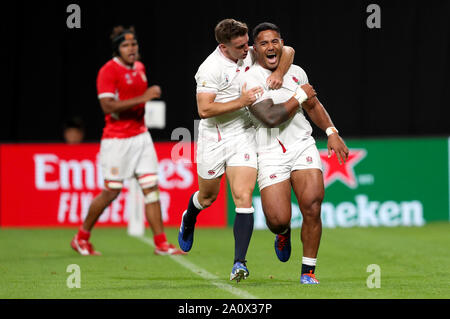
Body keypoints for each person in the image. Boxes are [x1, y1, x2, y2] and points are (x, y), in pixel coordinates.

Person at [178, 18, 295, 282]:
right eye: (241, 46)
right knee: (207, 198)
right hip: (214, 136)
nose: (247, 50)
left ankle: (239, 263)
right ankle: (190, 216)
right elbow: (204, 109)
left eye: (247, 45)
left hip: (243, 133)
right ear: (224, 46)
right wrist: (241, 100)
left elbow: (288, 51)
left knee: (243, 197)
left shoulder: (248, 54)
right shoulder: (210, 68)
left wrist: (278, 74)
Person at [240, 22, 349, 284]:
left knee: (312, 204)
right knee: (277, 219)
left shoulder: (296, 71)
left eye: (275, 41)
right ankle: (283, 232)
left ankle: (308, 272)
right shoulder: (250, 78)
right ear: (255, 49)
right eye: (264, 43)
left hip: (302, 144)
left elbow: (313, 105)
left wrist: (332, 131)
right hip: (269, 152)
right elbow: (270, 118)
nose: (270, 47)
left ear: (281, 43)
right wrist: (298, 96)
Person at [71, 26, 184, 256]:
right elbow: (107, 106)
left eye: (134, 44)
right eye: (125, 45)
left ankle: (161, 244)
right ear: (117, 50)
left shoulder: (140, 67)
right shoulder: (108, 71)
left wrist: (144, 102)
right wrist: (144, 97)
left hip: (141, 137)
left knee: (151, 189)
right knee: (111, 191)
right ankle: (81, 237)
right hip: (117, 140)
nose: (131, 49)